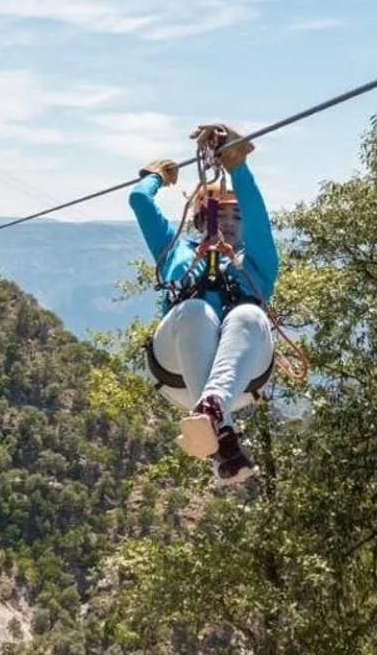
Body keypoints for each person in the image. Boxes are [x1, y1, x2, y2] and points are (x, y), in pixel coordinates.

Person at [129, 123, 279, 485]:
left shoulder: (258, 261)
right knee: (197, 311)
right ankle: (217, 422)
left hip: (242, 379)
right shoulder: (175, 249)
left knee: (248, 315)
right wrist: (154, 177)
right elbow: (139, 201)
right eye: (221, 215)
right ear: (201, 218)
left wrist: (238, 166)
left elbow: (259, 217)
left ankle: (218, 428)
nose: (228, 223)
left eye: (236, 217)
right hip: (177, 367)